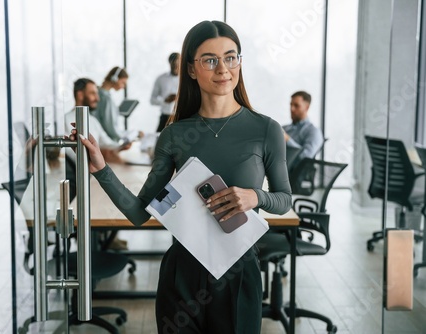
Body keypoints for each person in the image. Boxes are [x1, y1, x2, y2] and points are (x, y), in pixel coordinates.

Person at [70, 20, 291, 333]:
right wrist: (101, 169)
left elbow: (284, 200)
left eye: (231, 57)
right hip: (182, 277)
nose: (223, 69)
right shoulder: (174, 135)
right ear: (190, 69)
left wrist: (256, 197)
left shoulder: (265, 129)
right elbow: (138, 213)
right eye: (210, 60)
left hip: (239, 274)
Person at [65, 78, 130, 250]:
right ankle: (101, 241)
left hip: (95, 173)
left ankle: (108, 238)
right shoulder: (68, 120)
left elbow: (106, 142)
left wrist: (121, 146)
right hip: (85, 180)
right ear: (80, 94)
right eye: (93, 93)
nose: (97, 98)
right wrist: (104, 154)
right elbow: (78, 157)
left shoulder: (91, 119)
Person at [282, 91, 324, 168]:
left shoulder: (313, 131)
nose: (292, 109)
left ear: (307, 107)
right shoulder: (285, 128)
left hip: (291, 176)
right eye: (291, 105)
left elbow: (305, 157)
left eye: (296, 105)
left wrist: (287, 140)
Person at [150, 52, 180, 132]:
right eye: (173, 64)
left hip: (181, 117)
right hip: (165, 117)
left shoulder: (187, 80)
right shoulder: (161, 79)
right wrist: (165, 101)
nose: (175, 66)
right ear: (169, 63)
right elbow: (152, 100)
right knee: (158, 141)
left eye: (177, 64)